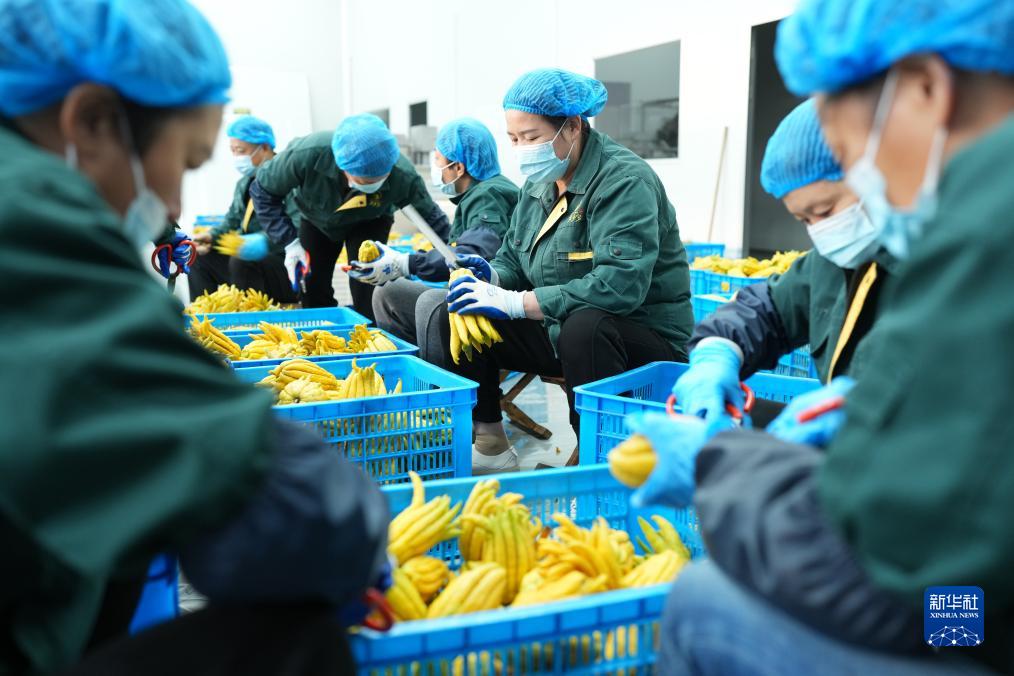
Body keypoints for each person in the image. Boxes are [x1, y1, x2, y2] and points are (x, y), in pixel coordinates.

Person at [0, 1, 387, 673]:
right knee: (303, 641)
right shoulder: (27, 221)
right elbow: (288, 510)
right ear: (91, 121)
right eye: (185, 160)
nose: (174, 204)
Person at [632, 0, 1014, 673]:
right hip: (975, 575)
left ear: (926, 88)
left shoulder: (981, 236)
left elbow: (870, 556)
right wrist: (717, 353)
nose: (870, 184)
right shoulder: (885, 251)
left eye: (850, 157)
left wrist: (718, 468)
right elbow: (774, 305)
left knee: (702, 599)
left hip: (976, 615)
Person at [446, 69, 693, 474]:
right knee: (454, 311)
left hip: (637, 336)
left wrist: (518, 303)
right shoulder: (538, 184)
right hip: (558, 327)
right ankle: (490, 443)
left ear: (573, 126)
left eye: (532, 137)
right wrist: (491, 278)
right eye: (514, 139)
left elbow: (620, 286)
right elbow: (514, 258)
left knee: (585, 327)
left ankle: (599, 465)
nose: (522, 150)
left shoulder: (624, 181)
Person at [672, 99, 895, 432]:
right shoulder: (831, 264)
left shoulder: (947, 266)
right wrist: (717, 351)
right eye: (805, 219)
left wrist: (862, 413)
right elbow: (769, 308)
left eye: (825, 211)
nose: (821, 230)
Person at [249, 113, 452, 320]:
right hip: (316, 219)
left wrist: (456, 254)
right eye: (365, 182)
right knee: (312, 284)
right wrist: (289, 242)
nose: (372, 186)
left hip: (371, 220)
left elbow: (432, 219)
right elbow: (263, 191)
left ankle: (371, 331)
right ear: (342, 167)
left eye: (379, 180)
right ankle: (325, 329)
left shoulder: (402, 174)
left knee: (369, 284)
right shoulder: (308, 154)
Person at [367, 118, 519, 362]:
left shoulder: (488, 196)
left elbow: (475, 251)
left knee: (412, 299)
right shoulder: (483, 193)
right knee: (389, 293)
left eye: (438, 160)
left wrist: (409, 263)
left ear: (458, 167)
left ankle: (434, 376)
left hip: (494, 304)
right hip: (483, 293)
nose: (436, 168)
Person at [189, 115, 299, 304]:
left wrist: (264, 242)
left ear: (264, 147)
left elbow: (298, 226)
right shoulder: (244, 184)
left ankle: (252, 314)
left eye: (241, 151)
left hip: (285, 263)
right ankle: (205, 312)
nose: (237, 157)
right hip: (246, 266)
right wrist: (211, 236)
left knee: (242, 259)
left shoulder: (288, 180)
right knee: (198, 257)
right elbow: (232, 220)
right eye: (233, 151)